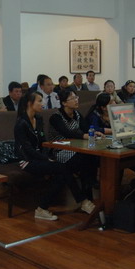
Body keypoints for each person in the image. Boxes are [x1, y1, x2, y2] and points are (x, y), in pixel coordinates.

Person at [14, 91, 94, 221]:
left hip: (40, 157)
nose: (43, 103)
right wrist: (46, 159)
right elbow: (27, 149)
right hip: (27, 161)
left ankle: (42, 208)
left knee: (62, 173)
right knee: (63, 169)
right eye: (39, 101)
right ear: (30, 103)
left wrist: (47, 156)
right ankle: (83, 201)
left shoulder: (38, 119)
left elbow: (43, 142)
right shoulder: (21, 123)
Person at [48, 90, 100, 210]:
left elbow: (86, 128)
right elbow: (67, 132)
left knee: (90, 156)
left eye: (76, 97)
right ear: (64, 103)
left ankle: (88, 194)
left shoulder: (76, 114)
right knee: (85, 159)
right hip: (60, 151)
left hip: (76, 148)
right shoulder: (56, 117)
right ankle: (88, 191)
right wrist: (84, 136)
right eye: (72, 98)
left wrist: (95, 133)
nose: (76, 100)